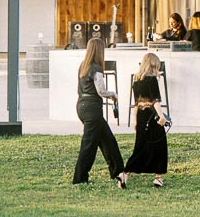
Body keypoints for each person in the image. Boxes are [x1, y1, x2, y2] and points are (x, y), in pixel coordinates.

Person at [72, 36, 127, 188]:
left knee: (107, 140)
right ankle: (80, 178)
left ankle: (118, 172)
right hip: (92, 109)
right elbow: (101, 90)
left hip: (82, 105)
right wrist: (114, 95)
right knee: (89, 145)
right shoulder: (96, 67)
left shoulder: (83, 65)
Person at [123, 52, 170, 187]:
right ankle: (158, 177)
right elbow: (155, 101)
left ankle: (126, 173)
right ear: (154, 64)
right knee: (159, 144)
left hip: (141, 116)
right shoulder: (152, 80)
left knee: (140, 145)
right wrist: (161, 117)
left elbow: (136, 103)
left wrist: (136, 122)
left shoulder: (136, 80)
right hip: (151, 115)